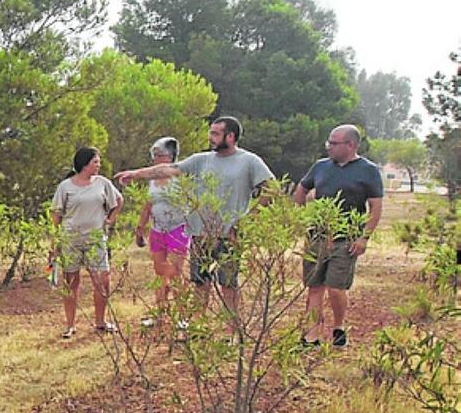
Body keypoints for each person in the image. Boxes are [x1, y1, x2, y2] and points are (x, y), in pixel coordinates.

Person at [116, 116, 273, 315]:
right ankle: (199, 329)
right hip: (201, 234)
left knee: (228, 285)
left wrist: (246, 222)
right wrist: (136, 174)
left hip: (229, 236)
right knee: (200, 283)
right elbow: (169, 169)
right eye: (210, 132)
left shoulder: (249, 161)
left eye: (216, 133)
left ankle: (231, 331)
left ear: (231, 136)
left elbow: (271, 189)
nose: (210, 137)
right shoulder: (201, 160)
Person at [292, 124, 383, 347]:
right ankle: (312, 335)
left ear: (350, 145)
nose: (328, 147)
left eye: (334, 143)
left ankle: (339, 327)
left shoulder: (368, 170)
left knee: (335, 287)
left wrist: (364, 238)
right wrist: (302, 218)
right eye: (328, 142)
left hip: (346, 239)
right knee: (314, 286)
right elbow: (302, 189)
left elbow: (375, 206)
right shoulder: (321, 166)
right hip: (318, 237)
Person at [51, 147, 123, 339]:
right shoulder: (65, 187)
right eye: (95, 162)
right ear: (84, 164)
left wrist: (110, 220)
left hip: (95, 239)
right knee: (71, 282)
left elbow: (118, 201)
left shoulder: (103, 184)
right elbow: (56, 215)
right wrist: (54, 243)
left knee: (102, 280)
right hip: (71, 239)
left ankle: (100, 321)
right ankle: (70, 324)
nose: (99, 165)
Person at [133, 136, 189, 325]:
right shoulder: (153, 179)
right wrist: (140, 227)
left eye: (159, 155)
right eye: (153, 155)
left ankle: (182, 317)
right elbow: (148, 204)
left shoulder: (181, 177)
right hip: (157, 230)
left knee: (174, 273)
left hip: (178, 229)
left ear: (170, 156)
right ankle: (160, 314)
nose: (154, 159)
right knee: (159, 272)